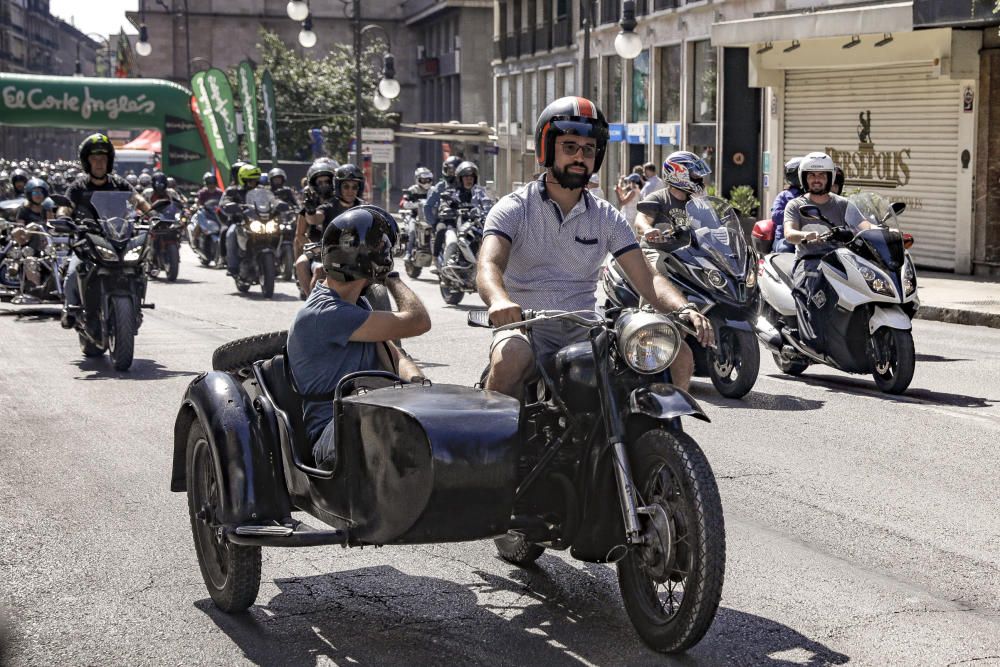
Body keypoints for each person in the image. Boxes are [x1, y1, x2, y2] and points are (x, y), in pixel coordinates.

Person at [478, 96, 714, 401]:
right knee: (510, 356)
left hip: (586, 328)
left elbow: (648, 277)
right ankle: (495, 442)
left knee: (676, 352)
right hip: (525, 327)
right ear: (547, 149)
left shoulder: (607, 217)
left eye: (588, 150)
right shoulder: (514, 209)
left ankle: (658, 437)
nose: (580, 156)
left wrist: (684, 308)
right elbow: (489, 265)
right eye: (570, 147)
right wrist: (498, 301)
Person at [286, 205, 430, 471]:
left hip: (367, 410)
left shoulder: (357, 305)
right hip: (333, 431)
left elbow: (392, 353)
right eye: (382, 250)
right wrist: (392, 277)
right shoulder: (326, 313)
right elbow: (419, 320)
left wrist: (420, 384)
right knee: (397, 434)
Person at [783, 152, 872, 352]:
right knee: (817, 286)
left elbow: (864, 226)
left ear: (829, 178)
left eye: (822, 175)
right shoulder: (795, 205)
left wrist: (885, 232)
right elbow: (789, 233)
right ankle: (814, 339)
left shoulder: (842, 204)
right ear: (804, 178)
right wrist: (806, 236)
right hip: (809, 260)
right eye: (812, 175)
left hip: (842, 260)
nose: (817, 179)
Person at [61, 133, 150, 329]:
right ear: (87, 162)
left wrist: (151, 214)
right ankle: (71, 309)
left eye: (103, 159)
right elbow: (66, 205)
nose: (99, 163)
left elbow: (138, 200)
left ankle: (135, 305)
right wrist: (63, 217)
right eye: (95, 159)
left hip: (118, 237)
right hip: (88, 239)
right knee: (73, 271)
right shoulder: (78, 186)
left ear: (109, 161)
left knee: (139, 267)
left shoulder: (119, 184)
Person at [295, 161, 364, 297]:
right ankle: (312, 304)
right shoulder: (328, 206)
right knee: (310, 266)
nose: (350, 190)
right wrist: (310, 211)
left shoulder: (364, 207)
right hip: (327, 252)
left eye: (354, 187)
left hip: (357, 253)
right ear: (339, 186)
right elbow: (314, 219)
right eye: (346, 186)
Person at [633, 151, 711, 255]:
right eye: (694, 175)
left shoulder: (695, 201)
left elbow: (711, 224)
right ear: (678, 174)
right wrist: (648, 229)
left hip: (687, 257)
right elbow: (641, 218)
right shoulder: (659, 198)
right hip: (658, 252)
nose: (699, 179)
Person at [221, 163, 262, 276]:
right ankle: (232, 266)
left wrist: (277, 203)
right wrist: (230, 204)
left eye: (255, 180)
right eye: (250, 180)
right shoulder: (232, 191)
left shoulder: (261, 191)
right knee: (230, 234)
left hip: (259, 222)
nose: (253, 183)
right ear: (243, 180)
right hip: (239, 222)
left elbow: (271, 199)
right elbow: (224, 201)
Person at [770, 158, 803, 254]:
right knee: (785, 250)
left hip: (809, 237)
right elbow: (776, 217)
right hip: (785, 238)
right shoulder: (784, 195)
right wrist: (795, 213)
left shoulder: (814, 195)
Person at [401, 166, 434, 259]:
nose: (426, 182)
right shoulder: (412, 190)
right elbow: (404, 202)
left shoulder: (434, 190)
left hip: (431, 217)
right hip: (415, 216)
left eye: (428, 180)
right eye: (423, 180)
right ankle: (408, 252)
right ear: (418, 179)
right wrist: (416, 204)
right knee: (411, 231)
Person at [423, 155, 463, 228]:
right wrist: (433, 223)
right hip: (445, 220)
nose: (452, 173)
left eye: (454, 171)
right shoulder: (441, 186)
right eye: (449, 171)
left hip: (464, 219)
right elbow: (427, 206)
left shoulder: (466, 186)